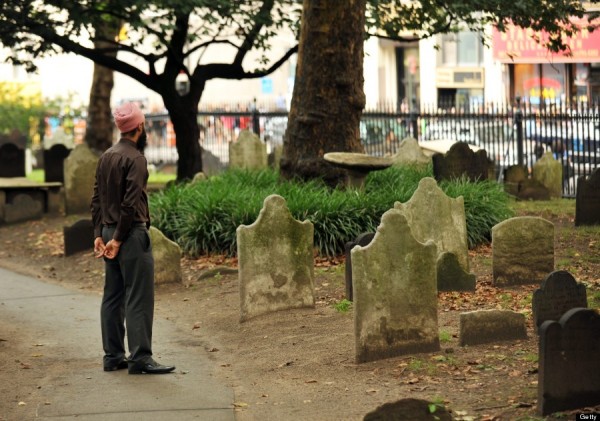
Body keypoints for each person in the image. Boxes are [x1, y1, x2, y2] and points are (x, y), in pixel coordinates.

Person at [90, 102, 175, 375]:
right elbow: (129, 204)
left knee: (112, 295)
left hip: (108, 231)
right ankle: (140, 359)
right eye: (144, 123)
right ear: (139, 126)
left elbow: (96, 199)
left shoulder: (106, 156)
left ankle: (113, 356)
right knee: (138, 296)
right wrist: (118, 238)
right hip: (131, 234)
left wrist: (99, 235)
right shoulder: (136, 159)